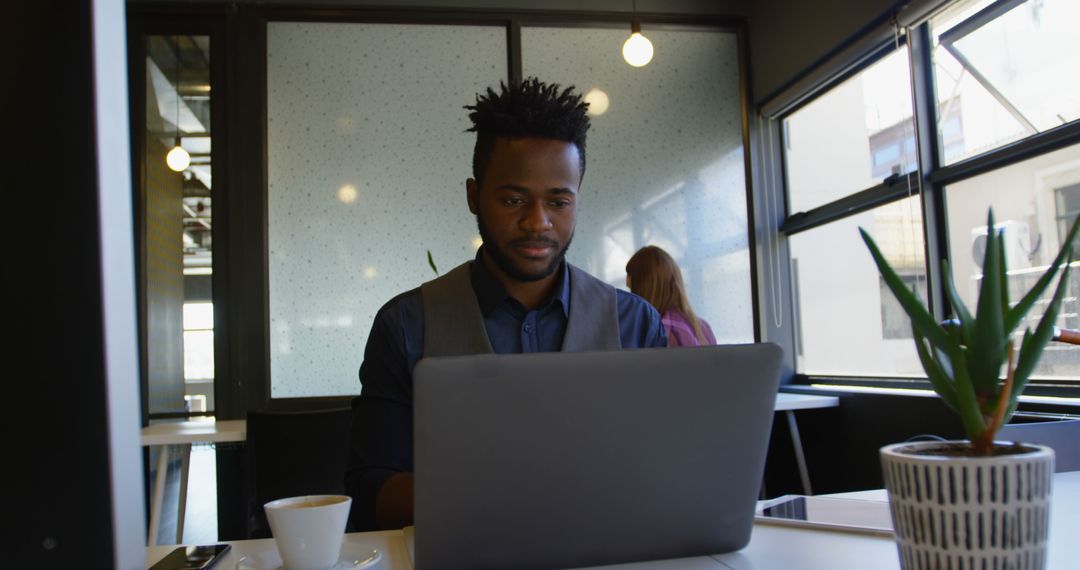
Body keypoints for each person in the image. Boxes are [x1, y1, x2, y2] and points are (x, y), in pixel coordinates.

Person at [345, 78, 667, 531]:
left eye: (558, 201)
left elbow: (664, 470)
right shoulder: (405, 325)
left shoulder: (635, 324)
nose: (537, 222)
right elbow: (370, 490)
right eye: (514, 199)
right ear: (474, 196)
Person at [625, 245, 716, 347]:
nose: (632, 299)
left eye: (633, 290)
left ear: (643, 289)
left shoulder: (660, 332)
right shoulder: (703, 327)